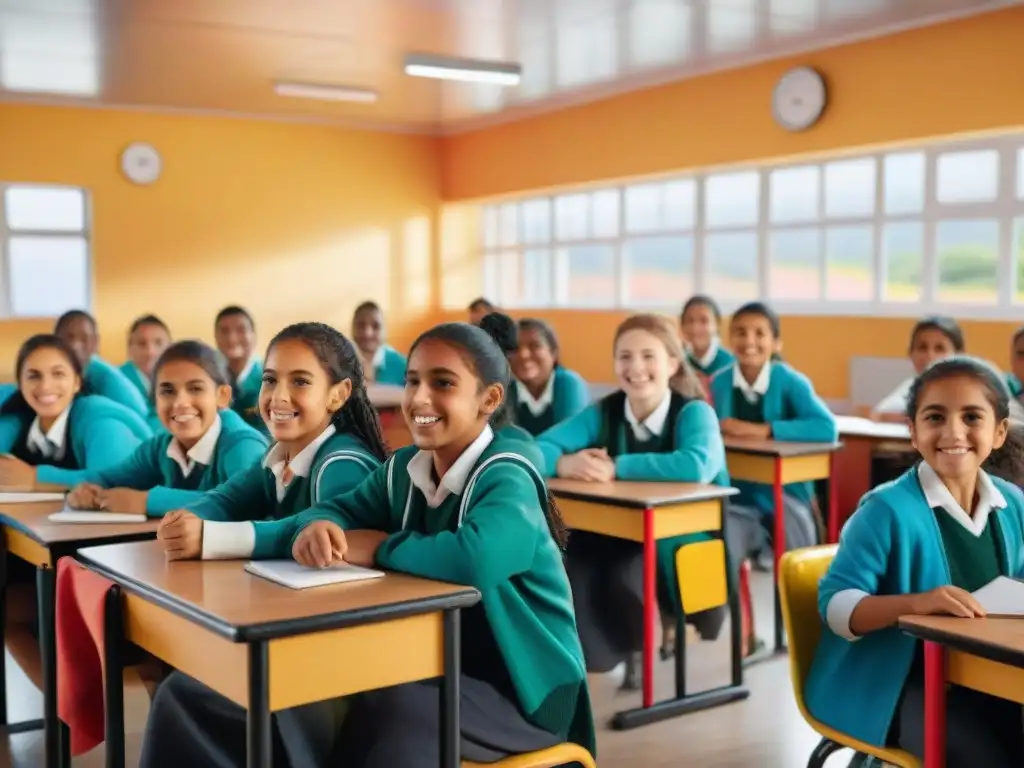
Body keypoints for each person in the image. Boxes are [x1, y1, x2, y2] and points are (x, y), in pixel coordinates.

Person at [140, 321, 595, 768]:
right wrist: (321, 524)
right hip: (431, 662)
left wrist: (377, 547)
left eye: (443, 383)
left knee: (385, 706)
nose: (419, 398)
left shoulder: (506, 475)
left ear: (489, 399)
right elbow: (338, 510)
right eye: (413, 381)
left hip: (524, 690)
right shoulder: (403, 470)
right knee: (250, 690)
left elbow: (473, 559)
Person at [807, 356, 1024, 766]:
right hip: (893, 686)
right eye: (935, 417)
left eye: (971, 417)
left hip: (988, 677)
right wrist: (916, 603)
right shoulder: (886, 509)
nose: (953, 432)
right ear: (913, 431)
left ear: (998, 433)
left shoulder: (1012, 503)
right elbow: (835, 609)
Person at [536, 314, 729, 679]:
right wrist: (563, 461)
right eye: (624, 357)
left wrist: (616, 466)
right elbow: (536, 448)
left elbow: (696, 465)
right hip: (628, 526)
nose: (635, 367)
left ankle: (661, 632)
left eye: (647, 356)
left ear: (672, 364)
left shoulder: (694, 412)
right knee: (574, 556)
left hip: (691, 529)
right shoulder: (604, 411)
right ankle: (603, 655)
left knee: (628, 567)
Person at [66, 340, 268, 516]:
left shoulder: (242, 444)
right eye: (167, 391)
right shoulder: (161, 445)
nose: (180, 402)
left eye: (195, 388)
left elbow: (246, 503)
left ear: (222, 396)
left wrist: (146, 502)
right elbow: (106, 478)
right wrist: (86, 490)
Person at [54, 309, 150, 418]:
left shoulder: (103, 379)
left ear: (95, 343)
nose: (76, 346)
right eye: (69, 337)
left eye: (84, 339)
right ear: (55, 341)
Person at [508, 318, 589, 436]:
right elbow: (503, 443)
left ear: (554, 352)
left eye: (534, 346)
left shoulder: (569, 384)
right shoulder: (504, 390)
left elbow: (568, 438)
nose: (523, 355)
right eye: (515, 348)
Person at [351, 301, 406, 385]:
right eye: (361, 325)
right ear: (352, 327)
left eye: (376, 326)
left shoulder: (403, 366)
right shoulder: (337, 364)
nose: (368, 333)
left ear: (385, 330)